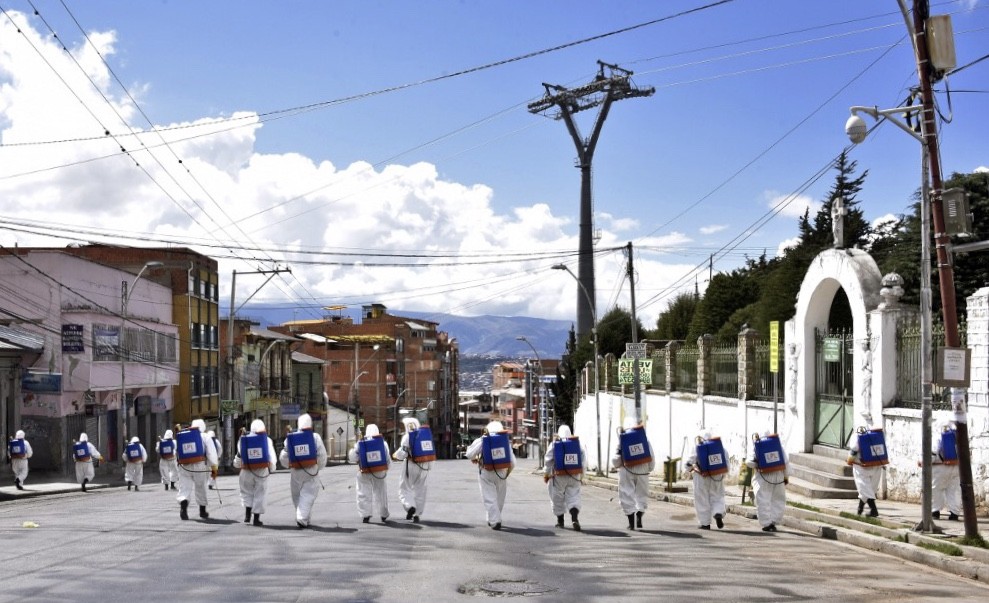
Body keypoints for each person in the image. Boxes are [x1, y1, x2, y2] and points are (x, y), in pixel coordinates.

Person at [279, 413, 328, 529]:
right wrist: (318, 467)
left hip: (296, 472)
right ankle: (301, 518)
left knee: (297, 495)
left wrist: (289, 465)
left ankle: (304, 517)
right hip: (311, 471)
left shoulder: (290, 437)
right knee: (308, 495)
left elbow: (284, 457)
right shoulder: (315, 437)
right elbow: (322, 456)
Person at [465, 420, 515, 530]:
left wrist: (476, 458)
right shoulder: (505, 442)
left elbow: (469, 454)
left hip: (486, 471)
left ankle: (494, 520)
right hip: (502, 472)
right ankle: (494, 517)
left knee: (489, 497)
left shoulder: (483, 439)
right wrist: (506, 473)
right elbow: (513, 462)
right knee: (499, 498)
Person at [611, 418, 655, 530]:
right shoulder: (645, 440)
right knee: (641, 495)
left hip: (627, 470)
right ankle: (639, 513)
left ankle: (631, 523)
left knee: (626, 494)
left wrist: (617, 465)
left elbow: (616, 459)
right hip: (643, 471)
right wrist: (649, 468)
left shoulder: (622, 440)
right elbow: (651, 456)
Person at [234, 419, 277, 526]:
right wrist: (271, 469)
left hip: (246, 470)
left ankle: (247, 515)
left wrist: (237, 464)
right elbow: (272, 457)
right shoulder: (267, 440)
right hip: (261, 471)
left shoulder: (243, 439)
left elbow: (239, 456)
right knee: (260, 493)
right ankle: (256, 518)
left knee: (246, 492)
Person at [543, 424, 586, 531]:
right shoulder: (577, 444)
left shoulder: (554, 444)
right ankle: (574, 518)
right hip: (574, 475)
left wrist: (546, 474)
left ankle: (560, 521)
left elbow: (548, 461)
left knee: (557, 497)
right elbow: (583, 461)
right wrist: (582, 475)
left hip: (559, 476)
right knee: (574, 496)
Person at [175, 419, 219, 520]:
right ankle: (202, 511)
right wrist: (214, 467)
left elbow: (177, 451)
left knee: (184, 488)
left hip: (185, 465)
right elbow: (211, 453)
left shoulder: (183, 435)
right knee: (201, 487)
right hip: (200, 465)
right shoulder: (205, 436)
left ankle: (183, 508)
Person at [393, 417, 434, 523]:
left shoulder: (407, 437)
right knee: (420, 490)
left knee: (404, 488)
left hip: (411, 464)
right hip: (425, 466)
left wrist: (396, 455)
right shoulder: (425, 436)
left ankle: (410, 506)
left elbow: (403, 453)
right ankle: (417, 514)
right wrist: (429, 466)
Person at [685, 429, 728, 530]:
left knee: (701, 499)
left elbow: (689, 462)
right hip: (717, 476)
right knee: (717, 496)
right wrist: (722, 474)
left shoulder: (697, 447)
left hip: (701, 476)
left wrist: (689, 468)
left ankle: (705, 523)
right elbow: (726, 464)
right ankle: (718, 513)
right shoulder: (720, 447)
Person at [349, 423, 391, 523]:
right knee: (381, 493)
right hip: (379, 471)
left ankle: (365, 515)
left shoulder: (361, 443)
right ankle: (383, 514)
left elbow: (353, 458)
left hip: (364, 472)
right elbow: (387, 459)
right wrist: (385, 469)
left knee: (363, 492)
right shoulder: (383, 443)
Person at [747, 431, 789, 531]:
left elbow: (749, 462)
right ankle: (774, 521)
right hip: (778, 475)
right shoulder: (777, 446)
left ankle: (766, 523)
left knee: (763, 499)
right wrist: (786, 476)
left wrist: (757, 464)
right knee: (778, 499)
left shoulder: (757, 446)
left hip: (763, 476)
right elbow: (786, 462)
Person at [846, 426, 886, 518]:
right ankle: (859, 510)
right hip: (876, 466)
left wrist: (849, 460)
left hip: (862, 467)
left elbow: (854, 448)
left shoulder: (856, 436)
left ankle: (874, 510)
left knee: (864, 489)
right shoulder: (876, 437)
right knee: (869, 490)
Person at [931, 421, 961, 521]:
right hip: (956, 468)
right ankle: (954, 513)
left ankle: (935, 511)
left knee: (936, 489)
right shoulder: (958, 438)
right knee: (953, 490)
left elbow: (933, 453)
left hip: (940, 468)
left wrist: (924, 462)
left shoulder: (937, 438)